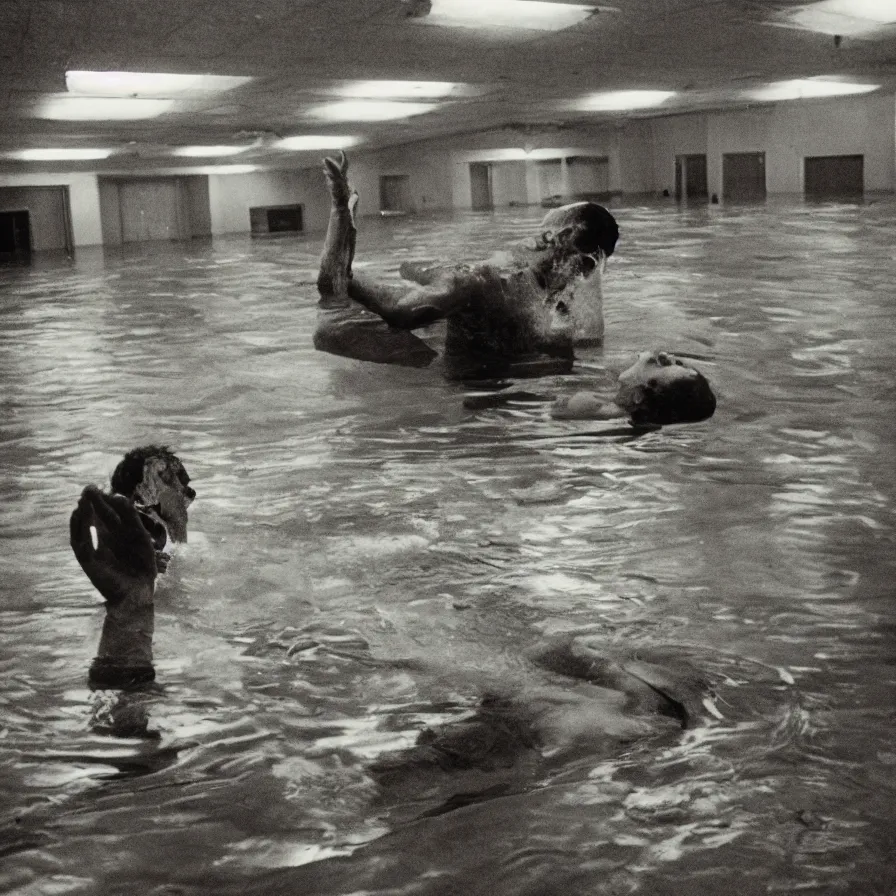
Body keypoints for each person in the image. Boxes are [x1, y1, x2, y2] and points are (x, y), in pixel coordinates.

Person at [313, 152, 620, 380]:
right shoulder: (566, 317)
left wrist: (340, 214)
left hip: (462, 409)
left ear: (560, 235)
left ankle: (343, 214)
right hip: (502, 415)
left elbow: (394, 309)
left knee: (335, 304)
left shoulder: (485, 280)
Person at [550, 350, 717, 424]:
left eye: (659, 365)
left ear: (638, 396)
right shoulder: (614, 404)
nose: (664, 355)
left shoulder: (585, 404)